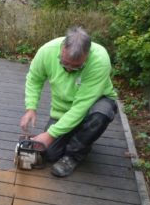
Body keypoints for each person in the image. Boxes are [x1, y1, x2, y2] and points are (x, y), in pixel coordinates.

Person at [20, 26, 118, 177]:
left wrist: (51, 134)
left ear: (87, 54)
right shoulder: (47, 51)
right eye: (65, 63)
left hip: (94, 104)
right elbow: (34, 79)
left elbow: (81, 106)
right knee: (50, 154)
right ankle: (81, 134)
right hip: (63, 109)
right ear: (62, 48)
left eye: (77, 66)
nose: (70, 69)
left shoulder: (99, 60)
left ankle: (73, 156)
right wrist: (31, 107)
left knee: (100, 114)